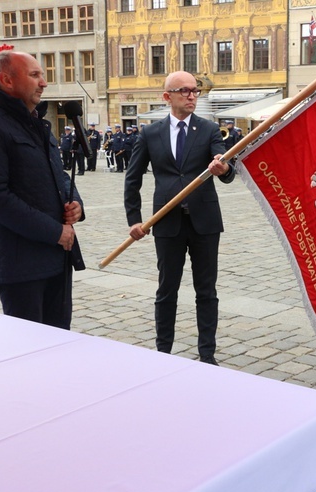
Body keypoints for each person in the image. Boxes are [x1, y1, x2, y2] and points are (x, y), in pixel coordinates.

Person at [124, 71, 235, 365]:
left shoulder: (210, 129)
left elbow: (226, 167)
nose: (191, 95)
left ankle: (207, 355)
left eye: (195, 91)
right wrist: (134, 219)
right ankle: (163, 353)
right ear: (167, 96)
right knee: (166, 289)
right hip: (167, 221)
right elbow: (132, 178)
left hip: (205, 222)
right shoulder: (150, 133)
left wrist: (223, 169)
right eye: (184, 90)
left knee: (206, 290)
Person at [0, 51, 85, 329]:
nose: (44, 82)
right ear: (7, 80)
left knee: (58, 344)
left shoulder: (37, 123)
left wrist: (75, 201)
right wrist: (55, 232)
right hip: (20, 263)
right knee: (28, 353)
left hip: (56, 257)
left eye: (42, 74)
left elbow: (58, 174)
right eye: (34, 75)